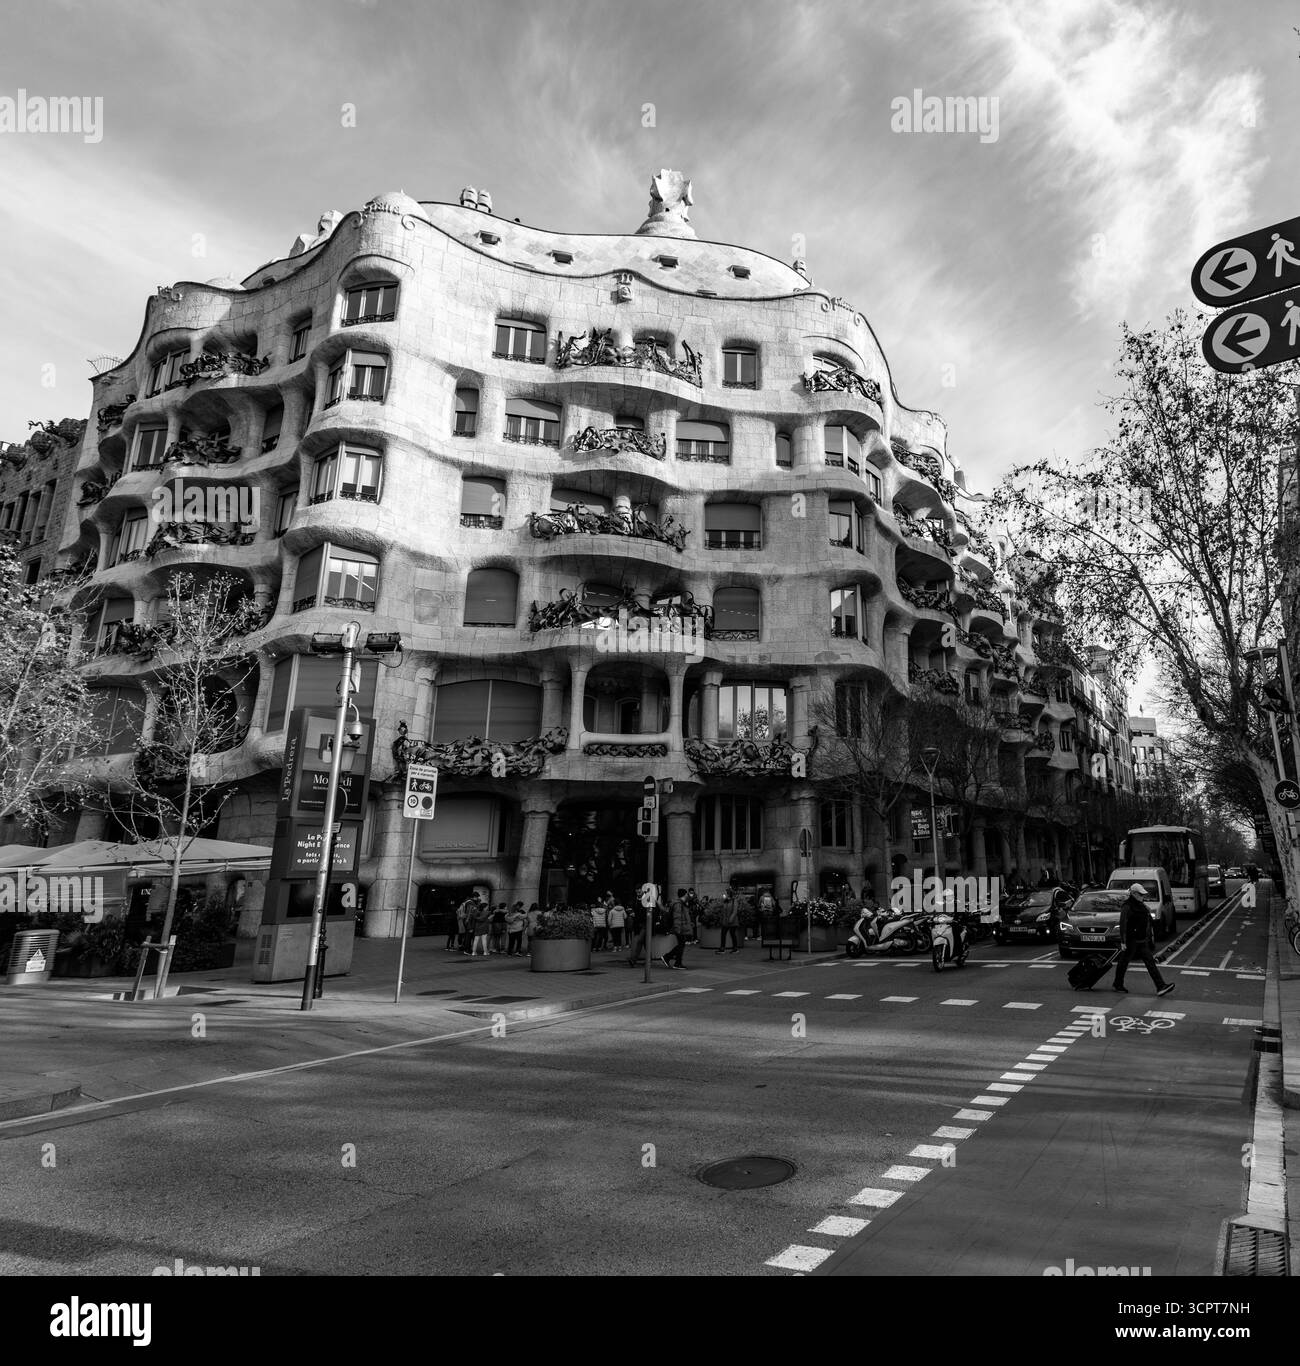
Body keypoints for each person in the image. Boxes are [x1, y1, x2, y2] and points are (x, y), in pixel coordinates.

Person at [1113, 883, 1174, 996]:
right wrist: (1123, 942)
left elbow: (1147, 918)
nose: (1143, 896)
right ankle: (1118, 984)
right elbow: (1123, 924)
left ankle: (1160, 986)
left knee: (1150, 963)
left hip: (1141, 940)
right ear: (1134, 894)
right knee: (1123, 962)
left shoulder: (1141, 905)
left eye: (1143, 894)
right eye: (1141, 894)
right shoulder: (1127, 906)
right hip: (1131, 940)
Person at [665, 890, 690, 969]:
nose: (688, 895)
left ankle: (670, 958)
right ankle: (675, 962)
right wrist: (678, 929)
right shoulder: (678, 904)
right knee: (681, 945)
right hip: (679, 928)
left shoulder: (681, 903)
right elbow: (677, 917)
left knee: (681, 945)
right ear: (684, 895)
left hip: (681, 928)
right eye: (687, 894)